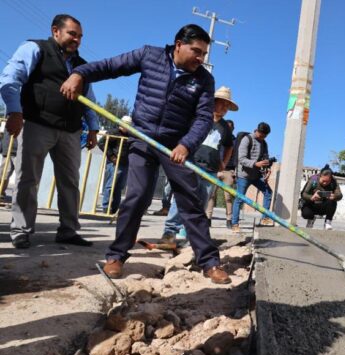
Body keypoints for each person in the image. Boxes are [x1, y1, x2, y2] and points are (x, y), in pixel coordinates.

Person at [60, 24, 230, 284]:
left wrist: (186, 145)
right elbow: (109, 66)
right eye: (196, 51)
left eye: (204, 54)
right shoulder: (149, 56)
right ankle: (116, 257)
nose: (200, 58)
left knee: (191, 201)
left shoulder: (204, 79)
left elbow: (204, 117)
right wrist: (79, 74)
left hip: (176, 146)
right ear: (178, 45)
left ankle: (209, 262)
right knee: (137, 196)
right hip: (142, 137)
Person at [0, 14, 99, 249]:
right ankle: (21, 230)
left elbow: (88, 98)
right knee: (27, 179)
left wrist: (93, 128)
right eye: (72, 34)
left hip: (70, 131)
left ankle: (68, 230)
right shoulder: (35, 49)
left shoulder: (81, 65)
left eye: (80, 36)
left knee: (70, 182)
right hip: (37, 124)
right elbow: (10, 79)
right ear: (56, 31)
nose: (77, 40)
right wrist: (15, 111)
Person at [161, 86, 238, 241]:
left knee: (201, 203)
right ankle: (170, 232)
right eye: (222, 104)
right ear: (213, 102)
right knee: (182, 198)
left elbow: (230, 145)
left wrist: (224, 162)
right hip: (191, 164)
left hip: (210, 170)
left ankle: (187, 232)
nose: (224, 108)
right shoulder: (199, 118)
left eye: (227, 106)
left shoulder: (225, 128)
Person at [231, 122, 273, 233]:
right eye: (262, 135)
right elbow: (242, 159)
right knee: (239, 199)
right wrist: (255, 164)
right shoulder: (247, 139)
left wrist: (267, 168)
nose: (263, 138)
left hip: (257, 175)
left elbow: (265, 159)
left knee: (268, 192)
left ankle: (264, 218)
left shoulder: (264, 143)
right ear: (257, 131)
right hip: (244, 175)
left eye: (265, 136)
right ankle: (234, 224)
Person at [205, 119, 236, 228]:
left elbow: (236, 157)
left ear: (232, 129)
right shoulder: (216, 137)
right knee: (211, 195)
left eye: (230, 127)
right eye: (226, 127)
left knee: (228, 197)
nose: (228, 129)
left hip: (228, 171)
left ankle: (229, 219)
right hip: (214, 169)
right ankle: (208, 218)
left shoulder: (234, 141)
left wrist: (234, 172)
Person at [99, 115, 131, 214]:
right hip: (114, 163)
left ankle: (114, 209)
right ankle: (106, 207)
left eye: (128, 125)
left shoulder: (130, 135)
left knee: (119, 188)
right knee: (110, 186)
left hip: (125, 164)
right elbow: (101, 143)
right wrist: (112, 157)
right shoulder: (114, 132)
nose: (125, 126)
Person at [300, 165, 343, 230]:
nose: (325, 183)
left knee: (333, 202)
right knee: (306, 214)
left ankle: (328, 222)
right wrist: (311, 197)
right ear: (319, 176)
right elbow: (303, 194)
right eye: (323, 181)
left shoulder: (333, 181)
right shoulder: (313, 179)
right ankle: (311, 220)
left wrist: (334, 196)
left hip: (324, 205)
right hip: (312, 204)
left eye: (327, 181)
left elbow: (340, 195)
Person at [0, 129, 17, 201]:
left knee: (23, 176)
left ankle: (20, 198)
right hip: (7, 150)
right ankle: (1, 193)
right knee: (3, 174)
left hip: (20, 151)